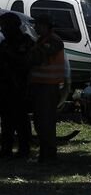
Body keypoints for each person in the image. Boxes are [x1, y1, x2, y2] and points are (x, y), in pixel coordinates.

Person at [29, 14, 65, 163]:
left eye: (38, 24)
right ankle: (45, 154)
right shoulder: (41, 40)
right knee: (40, 121)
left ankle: (49, 155)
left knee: (46, 122)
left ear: (45, 26)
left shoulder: (54, 41)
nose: (35, 27)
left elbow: (37, 58)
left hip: (48, 87)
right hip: (40, 85)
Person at [0, 12, 33, 159]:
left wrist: (8, 54)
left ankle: (24, 149)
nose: (3, 30)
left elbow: (25, 63)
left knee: (21, 120)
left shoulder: (25, 42)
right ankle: (6, 148)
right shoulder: (5, 43)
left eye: (5, 27)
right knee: (6, 121)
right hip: (6, 87)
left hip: (21, 87)